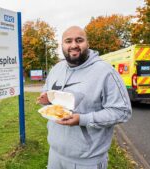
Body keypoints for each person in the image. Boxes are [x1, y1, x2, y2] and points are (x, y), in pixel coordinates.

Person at [37, 26, 132, 169]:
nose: (74, 45)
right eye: (68, 41)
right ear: (62, 45)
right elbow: (47, 93)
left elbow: (122, 112)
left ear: (87, 43)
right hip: (55, 154)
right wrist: (46, 100)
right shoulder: (56, 69)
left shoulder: (105, 72)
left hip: (87, 161)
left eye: (79, 40)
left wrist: (82, 119)